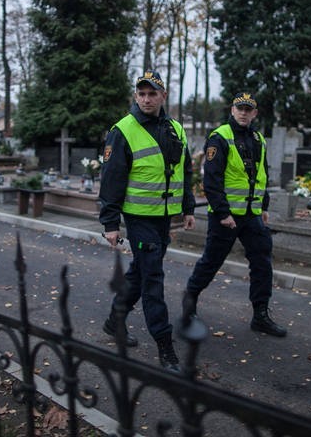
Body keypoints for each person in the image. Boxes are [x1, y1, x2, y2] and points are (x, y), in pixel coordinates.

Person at [99, 69, 197, 372]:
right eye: (141, 93)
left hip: (164, 217)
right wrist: (110, 224)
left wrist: (188, 207)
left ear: (162, 96)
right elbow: (111, 179)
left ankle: (115, 320)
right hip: (139, 218)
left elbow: (186, 170)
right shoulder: (123, 130)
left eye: (152, 93)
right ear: (135, 96)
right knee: (153, 279)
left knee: (141, 272)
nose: (146, 99)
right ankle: (165, 347)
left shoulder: (176, 129)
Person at [182, 92, 288, 337]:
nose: (243, 113)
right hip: (225, 217)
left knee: (262, 262)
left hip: (251, 215)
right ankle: (189, 305)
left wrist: (264, 207)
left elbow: (262, 175)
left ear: (254, 113)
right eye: (239, 108)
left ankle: (260, 315)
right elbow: (212, 180)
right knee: (211, 262)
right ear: (232, 110)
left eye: (248, 109)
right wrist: (222, 213)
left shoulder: (258, 139)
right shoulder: (220, 137)